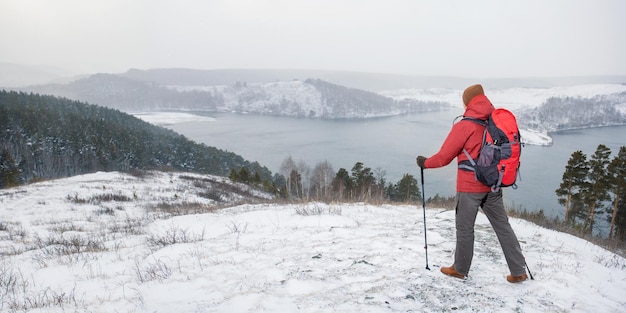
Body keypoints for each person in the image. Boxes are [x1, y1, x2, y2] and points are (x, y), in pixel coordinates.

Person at [416, 84, 528, 283]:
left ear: (467, 102)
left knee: (465, 228)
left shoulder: (465, 125)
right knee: (503, 226)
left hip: (469, 188)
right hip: (493, 185)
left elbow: (444, 157)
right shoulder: (495, 123)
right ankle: (518, 270)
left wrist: (425, 163)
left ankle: (460, 269)